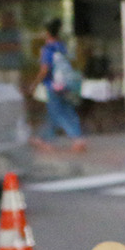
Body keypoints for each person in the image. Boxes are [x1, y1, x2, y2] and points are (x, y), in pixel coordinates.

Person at [34, 18, 87, 155]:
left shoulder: (47, 49)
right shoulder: (62, 46)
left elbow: (45, 69)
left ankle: (76, 138)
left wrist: (34, 84)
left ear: (47, 33)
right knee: (63, 111)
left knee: (57, 112)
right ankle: (43, 138)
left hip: (53, 85)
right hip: (67, 84)